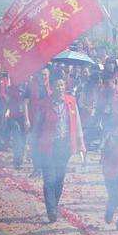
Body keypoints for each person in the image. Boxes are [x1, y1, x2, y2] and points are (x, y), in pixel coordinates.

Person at [35, 78, 85, 223]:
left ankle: (53, 204)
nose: (60, 87)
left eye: (62, 84)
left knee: (59, 179)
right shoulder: (44, 104)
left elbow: (78, 123)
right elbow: (37, 126)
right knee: (49, 179)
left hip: (64, 147)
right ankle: (51, 211)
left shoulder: (71, 102)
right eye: (57, 85)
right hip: (48, 146)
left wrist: (81, 143)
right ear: (52, 87)